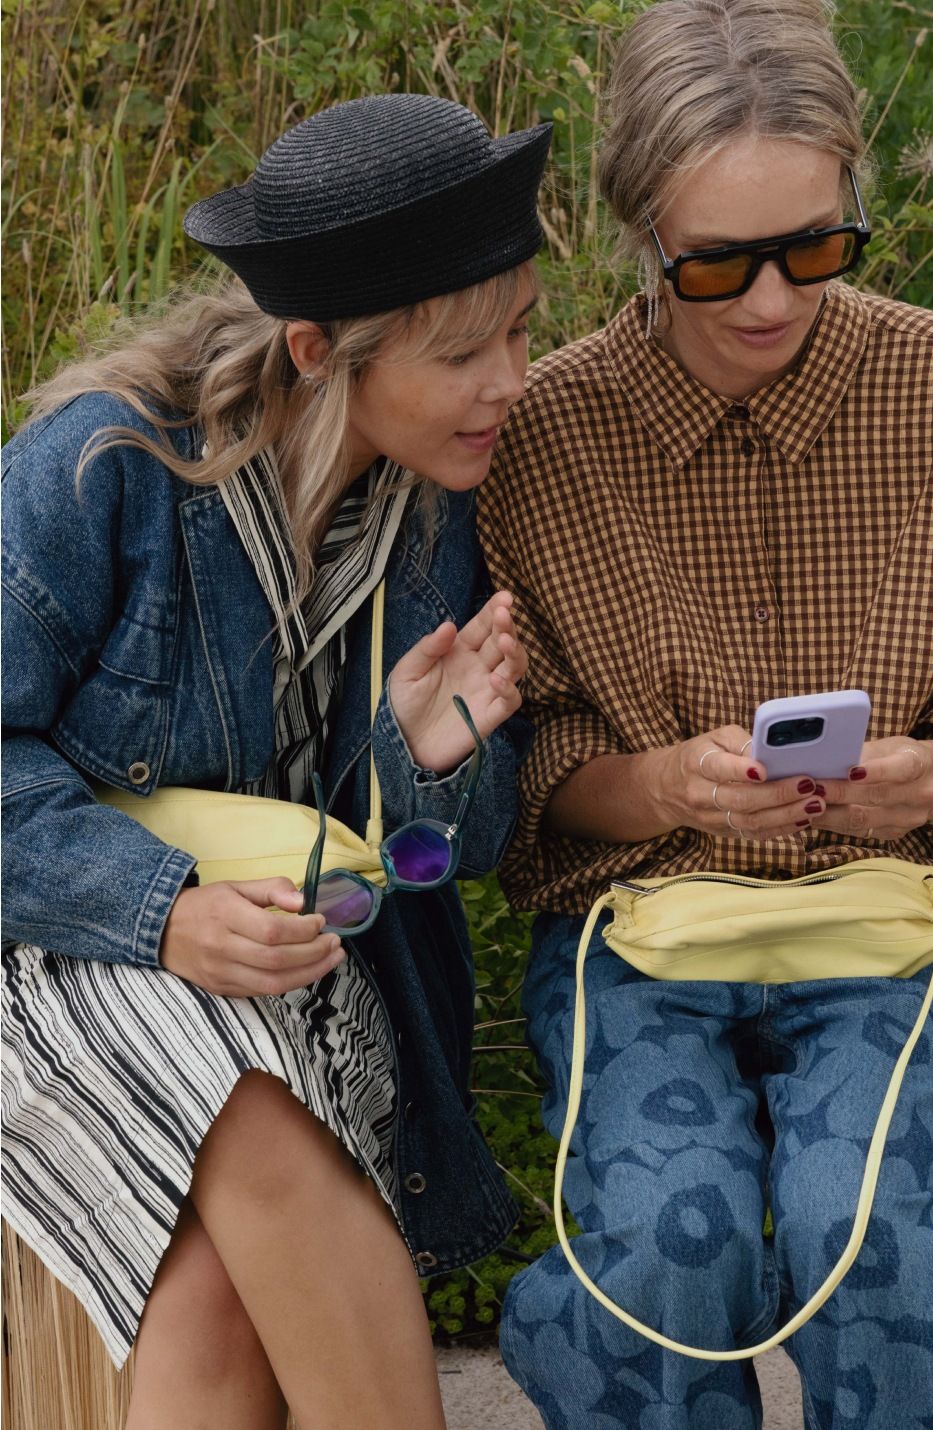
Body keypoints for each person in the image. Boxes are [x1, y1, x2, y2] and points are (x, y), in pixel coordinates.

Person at [476, 2, 933, 1426]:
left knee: (866, 1225)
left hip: (895, 916)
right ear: (636, 232)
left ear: (854, 199)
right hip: (642, 928)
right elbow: (525, 759)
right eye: (716, 263)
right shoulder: (542, 435)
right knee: (661, 1247)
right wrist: (663, 789)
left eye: (814, 248)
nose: (767, 300)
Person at [1, 93, 551, 1429]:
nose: (511, 381)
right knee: (244, 1099)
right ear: (318, 348)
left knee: (212, 1288)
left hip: (301, 968)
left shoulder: (443, 508)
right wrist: (163, 912)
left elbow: (451, 855)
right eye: (466, 351)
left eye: (523, 331)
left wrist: (422, 762)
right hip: (61, 946)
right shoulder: (104, 468)